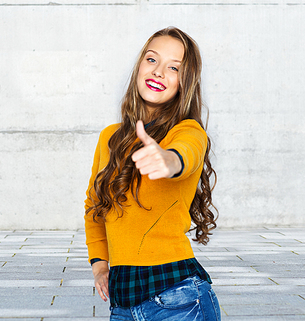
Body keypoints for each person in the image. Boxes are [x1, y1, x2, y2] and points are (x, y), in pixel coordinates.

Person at [84, 26, 220, 320]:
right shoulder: (110, 138)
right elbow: (94, 207)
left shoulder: (187, 131)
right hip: (121, 303)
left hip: (179, 300)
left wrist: (168, 161)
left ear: (185, 83)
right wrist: (100, 264)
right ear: (139, 67)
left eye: (173, 67)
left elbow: (186, 153)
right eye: (151, 59)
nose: (159, 71)